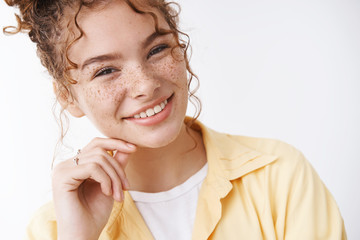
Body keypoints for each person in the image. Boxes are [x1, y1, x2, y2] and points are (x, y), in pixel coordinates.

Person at [3, 0, 346, 239]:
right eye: (106, 70)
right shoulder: (54, 229)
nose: (146, 84)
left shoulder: (278, 175)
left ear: (180, 47)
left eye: (156, 50)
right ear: (66, 95)